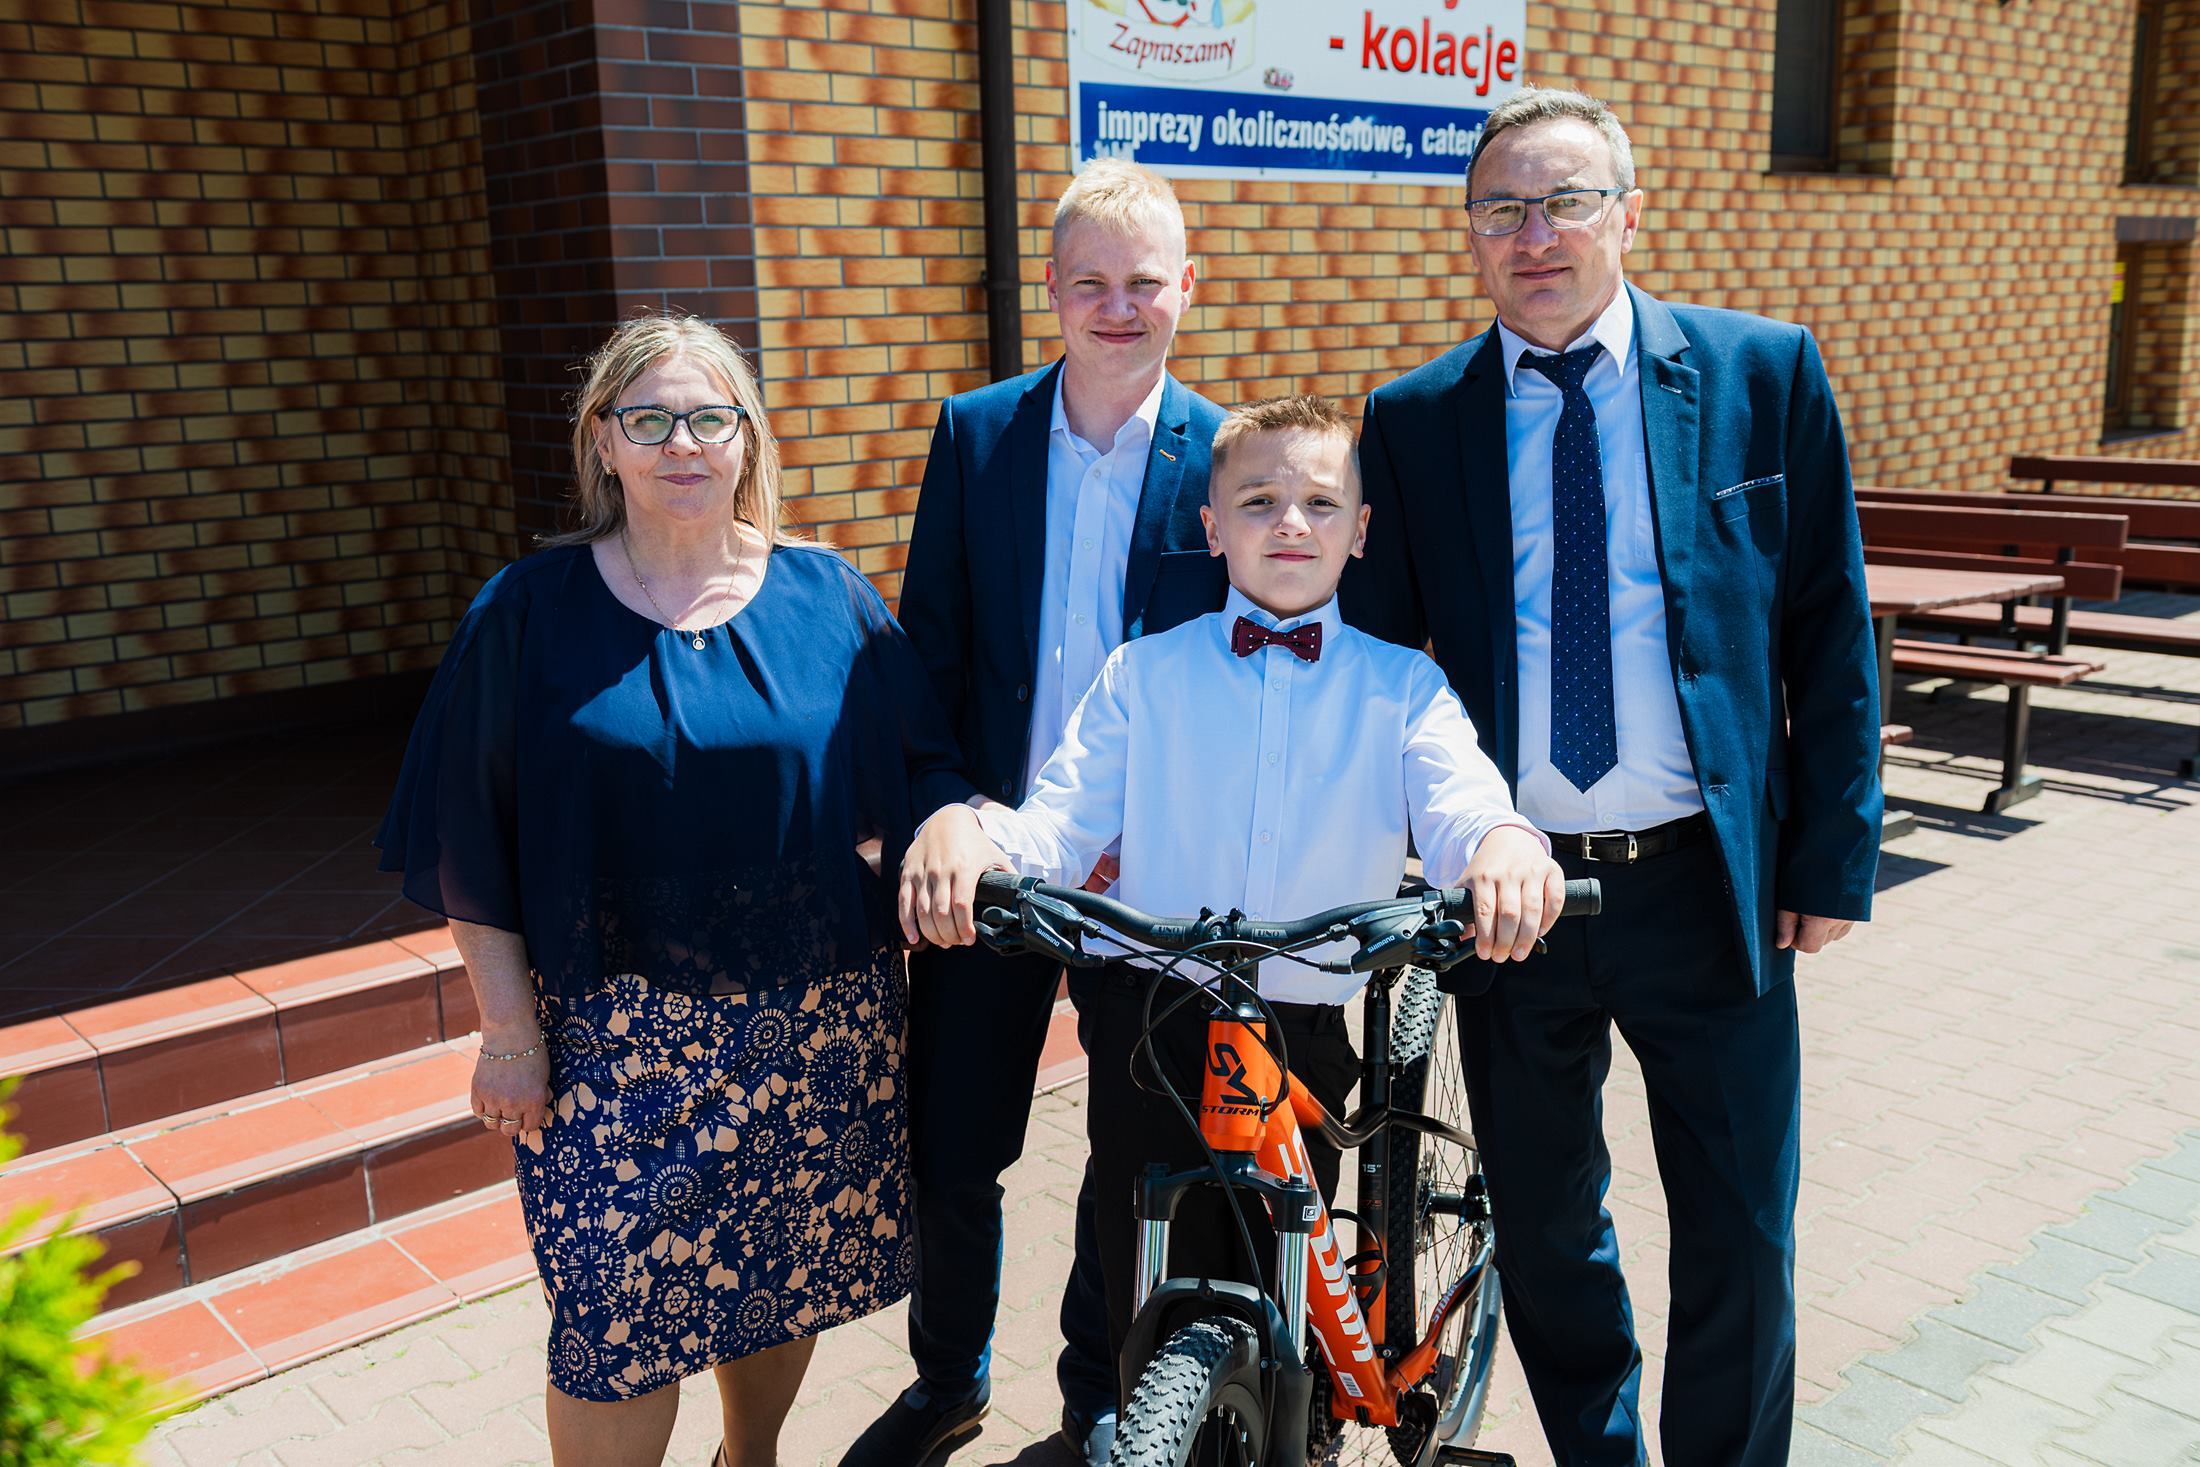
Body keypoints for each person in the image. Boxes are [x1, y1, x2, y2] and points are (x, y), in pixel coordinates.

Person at [1343, 87, 1882, 1467]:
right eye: (1502, 209)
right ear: (1471, 235)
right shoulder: (1413, 420)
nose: (1535, 235)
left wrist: (1832, 857)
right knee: (1543, 1227)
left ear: (1629, 216)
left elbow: (1827, 625)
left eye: (1566, 201)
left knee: (1742, 1230)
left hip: (1706, 886)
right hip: (1512, 902)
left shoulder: (1763, 374)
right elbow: (1383, 667)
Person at [375, 314, 972, 1467]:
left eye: (707, 418)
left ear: (747, 438)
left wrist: (951, 822)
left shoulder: (829, 598)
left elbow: (924, 764)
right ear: (603, 441)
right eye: (648, 420)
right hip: (611, 1043)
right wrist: (506, 1030)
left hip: (815, 1028)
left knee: (777, 1280)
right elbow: (467, 834)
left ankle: (750, 1459)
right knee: (612, 1328)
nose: (681, 444)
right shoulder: (527, 611)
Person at [901, 394, 1564, 1397]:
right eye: (1258, 502)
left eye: (1319, 502)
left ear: (1359, 531)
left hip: (1305, 1027)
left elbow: (1461, 802)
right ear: (1212, 529)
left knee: (1286, 1284)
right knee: (1133, 1275)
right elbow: (1057, 827)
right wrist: (971, 832)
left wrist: (1502, 843)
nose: (1290, 523)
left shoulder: (1403, 689)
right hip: (1150, 1026)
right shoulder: (1142, 674)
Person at [845, 159, 1228, 1467]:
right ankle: (946, 1377)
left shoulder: (1228, 458)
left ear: (1187, 287)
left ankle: (1096, 1392)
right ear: (1053, 289)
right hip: (996, 854)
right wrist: (946, 809)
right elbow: (930, 659)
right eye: (1091, 283)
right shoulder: (977, 435)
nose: (1118, 308)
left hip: (1145, 874)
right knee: (953, 1142)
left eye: (1144, 283)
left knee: (1132, 1154)